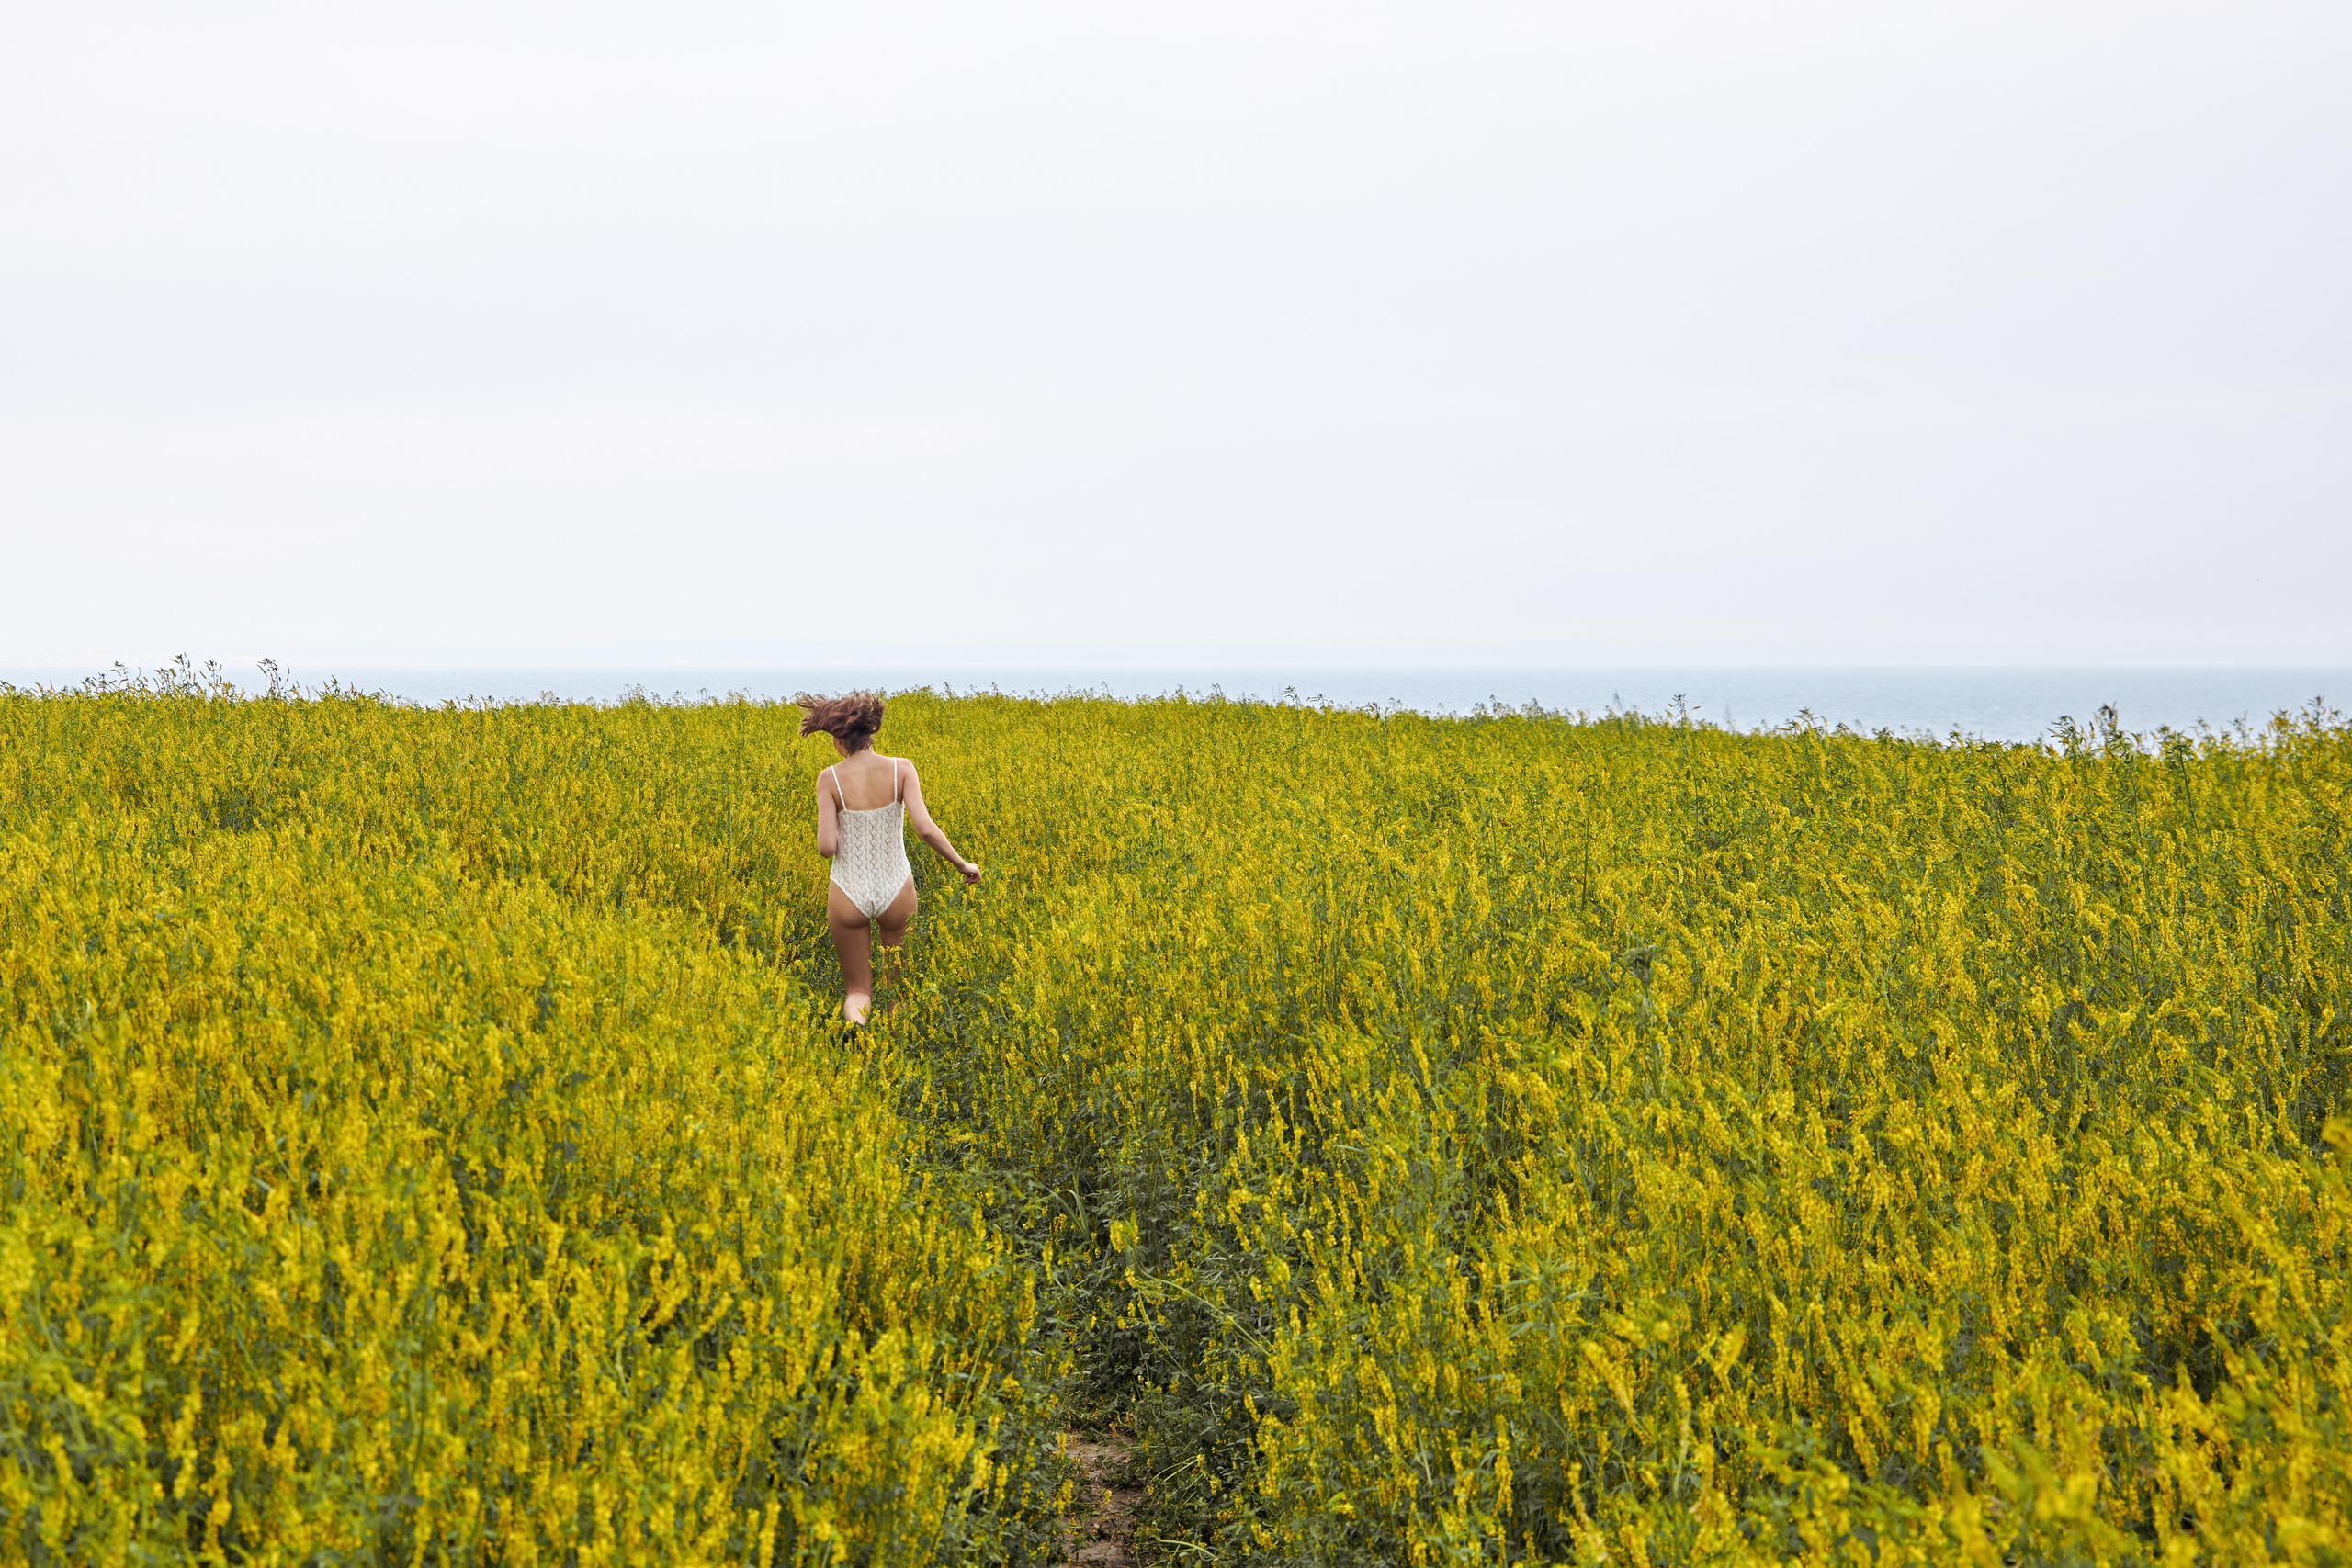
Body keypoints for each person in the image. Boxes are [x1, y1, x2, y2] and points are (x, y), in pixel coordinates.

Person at [797, 692, 980, 1024]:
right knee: (899, 990)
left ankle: (857, 1027)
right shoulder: (901, 769)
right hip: (896, 888)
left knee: (858, 991)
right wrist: (962, 864)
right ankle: (895, 1049)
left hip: (847, 890)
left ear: (838, 739)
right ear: (871, 732)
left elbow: (827, 848)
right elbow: (925, 829)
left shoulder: (829, 778)